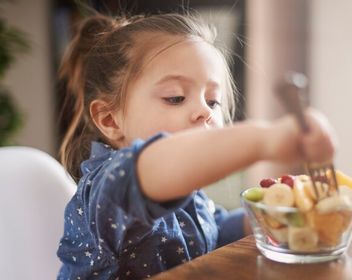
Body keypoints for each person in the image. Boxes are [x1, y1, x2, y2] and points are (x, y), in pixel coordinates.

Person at [56, 13, 336, 279]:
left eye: (212, 101)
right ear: (109, 120)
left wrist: (268, 215)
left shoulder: (187, 192)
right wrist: (265, 138)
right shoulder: (108, 188)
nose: (205, 111)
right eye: (176, 97)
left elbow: (213, 231)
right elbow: (159, 163)